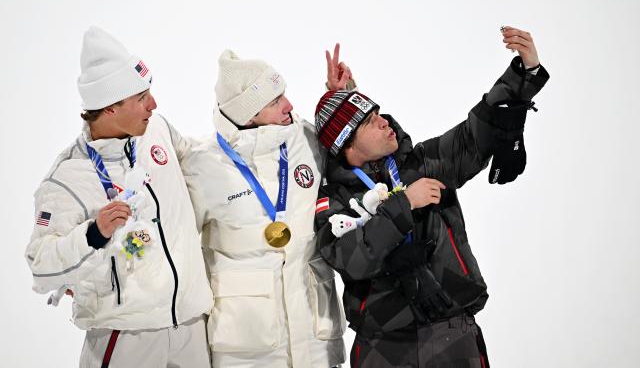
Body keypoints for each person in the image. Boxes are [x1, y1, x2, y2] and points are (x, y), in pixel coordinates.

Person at [313, 27, 550, 367]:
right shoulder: (331, 201)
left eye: (378, 112)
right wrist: (403, 204)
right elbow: (350, 258)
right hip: (384, 346)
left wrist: (524, 73)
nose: (384, 123)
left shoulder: (420, 164)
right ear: (347, 145)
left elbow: (476, 134)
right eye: (369, 122)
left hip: (452, 334)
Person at [25, 27, 213, 367]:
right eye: (141, 98)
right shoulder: (69, 178)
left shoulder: (156, 131)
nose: (153, 105)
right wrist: (92, 234)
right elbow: (41, 268)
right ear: (109, 107)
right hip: (127, 336)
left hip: (190, 326)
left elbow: (202, 161)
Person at [180, 46, 354, 367]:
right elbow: (172, 240)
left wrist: (342, 98)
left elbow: (357, 150)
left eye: (283, 94)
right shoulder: (201, 164)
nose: (289, 105)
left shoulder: (306, 139)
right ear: (247, 114)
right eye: (275, 101)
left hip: (315, 334)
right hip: (247, 346)